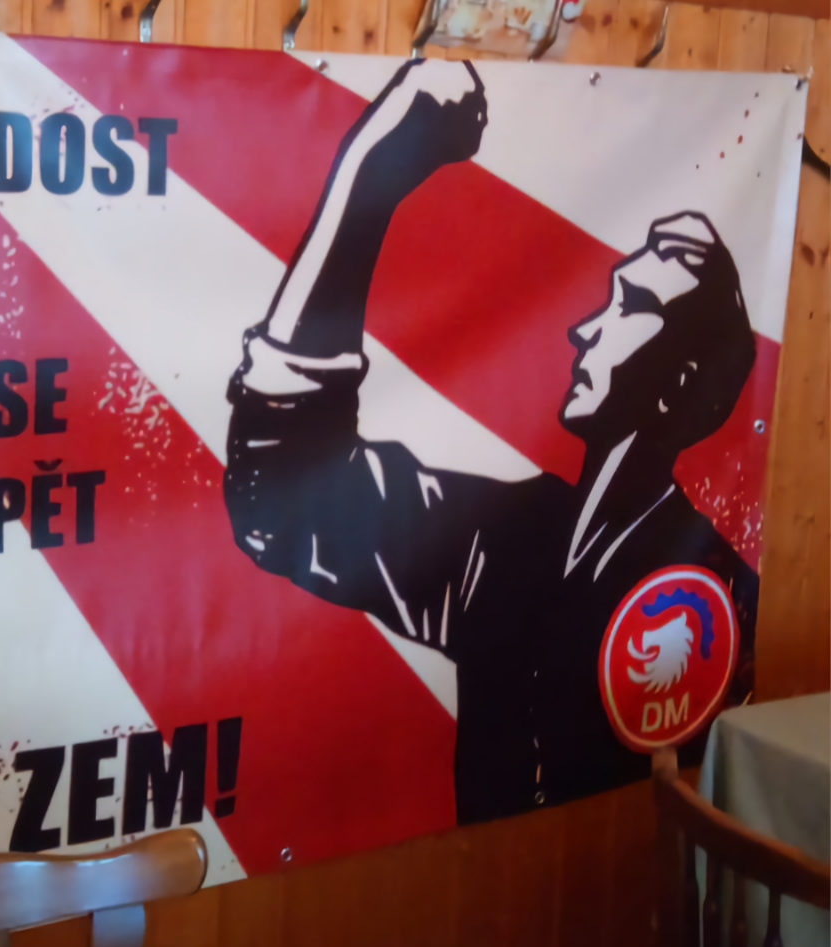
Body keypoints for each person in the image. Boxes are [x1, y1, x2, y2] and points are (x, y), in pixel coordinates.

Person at [223, 60, 757, 824]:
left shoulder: (728, 594)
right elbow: (283, 499)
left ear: (681, 381)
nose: (584, 329)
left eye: (629, 305)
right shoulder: (507, 539)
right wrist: (366, 180)